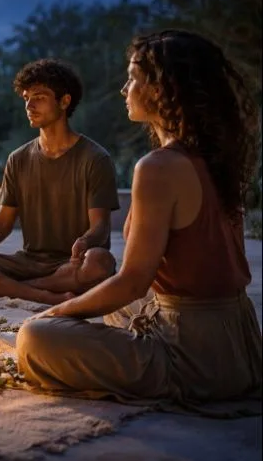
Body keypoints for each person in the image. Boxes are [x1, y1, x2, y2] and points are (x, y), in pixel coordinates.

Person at [17, 30, 262, 412]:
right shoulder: (213, 157)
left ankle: (165, 372)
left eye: (133, 78)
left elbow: (133, 281)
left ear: (162, 90)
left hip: (194, 356)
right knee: (110, 298)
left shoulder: (158, 167)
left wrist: (56, 312)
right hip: (238, 339)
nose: (124, 89)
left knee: (35, 336)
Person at [0, 59, 119, 305]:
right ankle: (45, 294)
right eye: (26, 98)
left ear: (64, 101)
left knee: (100, 262)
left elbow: (100, 226)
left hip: (72, 263)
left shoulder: (95, 158)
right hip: (28, 262)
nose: (29, 105)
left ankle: (19, 289)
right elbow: (1, 225)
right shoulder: (18, 159)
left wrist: (85, 241)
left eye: (39, 97)